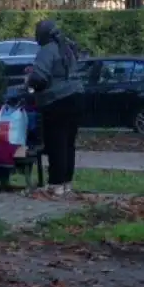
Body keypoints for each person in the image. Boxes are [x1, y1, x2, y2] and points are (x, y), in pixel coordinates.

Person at [26, 19, 84, 197]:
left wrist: (29, 81)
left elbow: (40, 79)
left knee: (55, 143)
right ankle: (66, 183)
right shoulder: (68, 48)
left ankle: (55, 184)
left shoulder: (47, 50)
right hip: (77, 97)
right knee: (68, 143)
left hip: (56, 101)